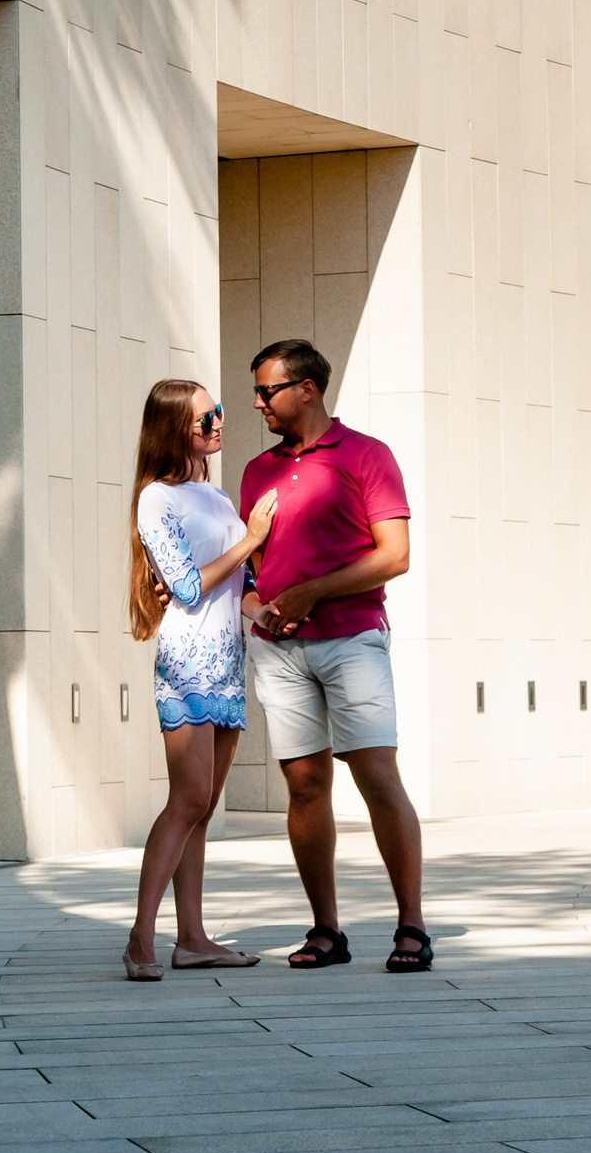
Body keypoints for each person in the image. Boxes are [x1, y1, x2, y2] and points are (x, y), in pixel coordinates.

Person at [238, 340, 432, 974]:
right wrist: (265, 600)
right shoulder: (255, 470)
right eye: (258, 391)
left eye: (268, 390)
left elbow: (393, 555)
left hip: (353, 641)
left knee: (377, 776)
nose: (259, 402)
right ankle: (326, 929)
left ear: (308, 389)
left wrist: (311, 592)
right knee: (304, 785)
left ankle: (412, 926)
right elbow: (256, 559)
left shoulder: (366, 456)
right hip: (280, 651)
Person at [123, 378, 279, 981]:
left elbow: (232, 590)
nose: (218, 421)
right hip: (187, 663)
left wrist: (263, 611)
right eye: (204, 417)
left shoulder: (214, 499)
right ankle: (141, 938)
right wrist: (253, 541)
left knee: (203, 807)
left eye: (217, 411)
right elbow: (187, 588)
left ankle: (193, 939)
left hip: (227, 662)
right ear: (172, 428)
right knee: (186, 799)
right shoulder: (156, 500)